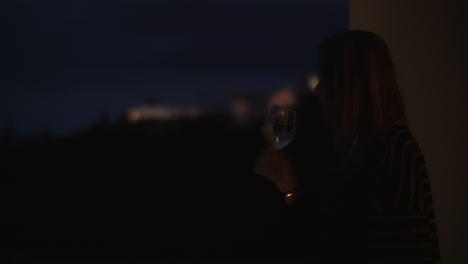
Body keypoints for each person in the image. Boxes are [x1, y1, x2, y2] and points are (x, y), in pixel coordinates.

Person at [254, 30, 440, 263]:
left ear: (348, 85)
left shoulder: (393, 148)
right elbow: (337, 235)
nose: (318, 89)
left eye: (326, 77)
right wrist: (289, 187)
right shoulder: (360, 149)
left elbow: (398, 251)